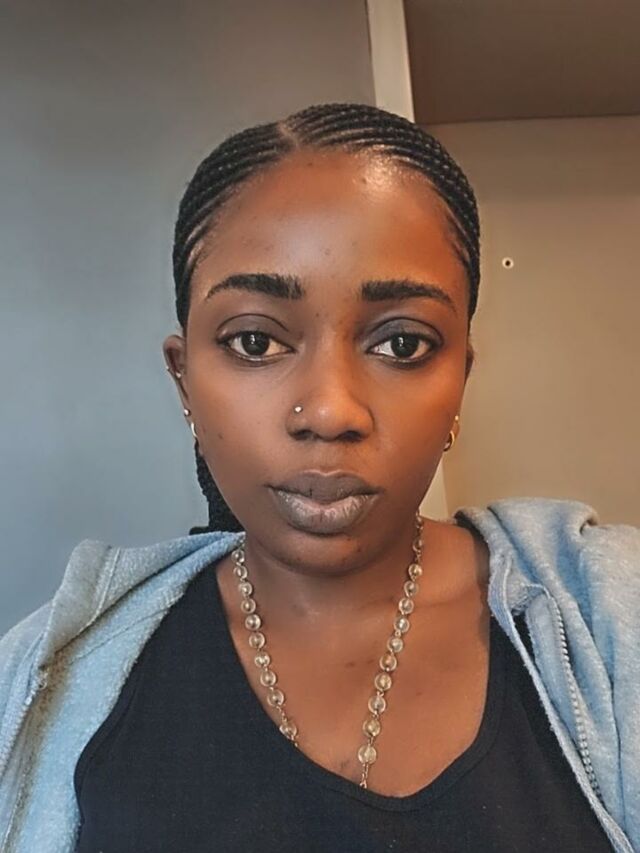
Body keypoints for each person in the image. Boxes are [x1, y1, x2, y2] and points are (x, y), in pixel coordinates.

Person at [0, 102, 638, 853]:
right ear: (184, 380)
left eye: (402, 343)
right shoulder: (42, 674)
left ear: (459, 381)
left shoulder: (609, 618)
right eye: (255, 341)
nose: (331, 411)